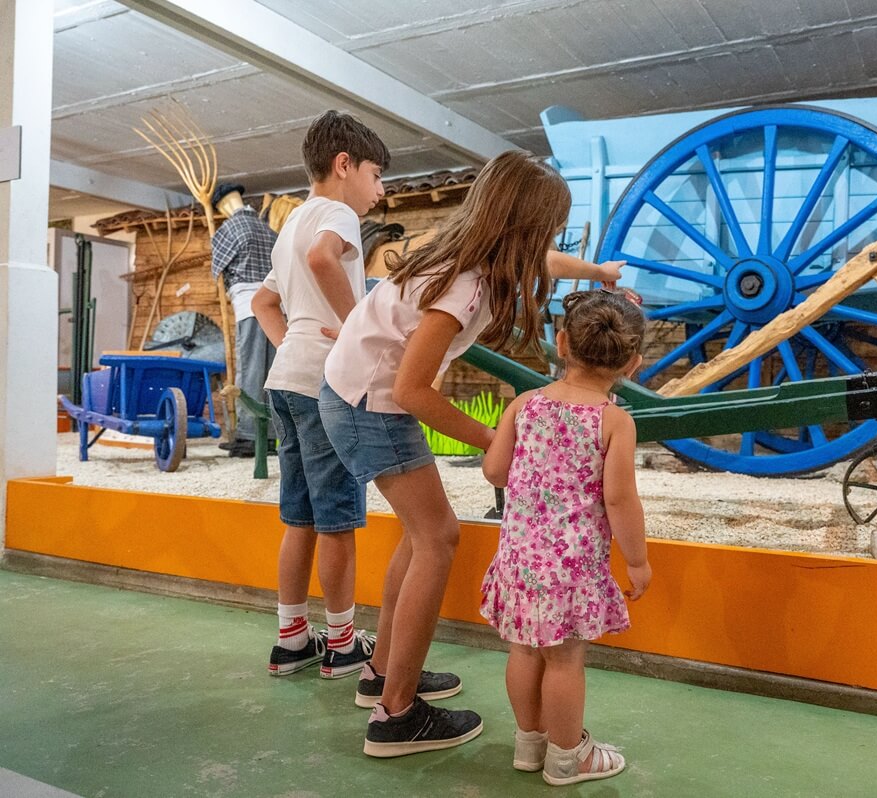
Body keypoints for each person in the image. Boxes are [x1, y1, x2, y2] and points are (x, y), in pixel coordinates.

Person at [318, 150, 625, 757]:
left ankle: (385, 672)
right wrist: (494, 438)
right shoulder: (463, 285)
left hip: (358, 394)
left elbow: (542, 260)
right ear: (525, 225)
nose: (550, 242)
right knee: (439, 538)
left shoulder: (466, 247)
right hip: (369, 405)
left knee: (419, 537)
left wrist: (599, 273)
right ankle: (396, 715)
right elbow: (412, 390)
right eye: (549, 228)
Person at [479, 289, 650, 786]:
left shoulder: (525, 404)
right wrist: (637, 561)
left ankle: (529, 743)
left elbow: (494, 471)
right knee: (565, 660)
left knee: (523, 650)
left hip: (519, 559)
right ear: (633, 363)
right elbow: (620, 499)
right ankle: (566, 758)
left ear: (562, 344)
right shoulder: (614, 421)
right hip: (570, 570)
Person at [251, 110, 386, 679]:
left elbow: (262, 303)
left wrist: (294, 343)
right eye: (376, 176)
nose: (380, 192)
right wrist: (361, 329)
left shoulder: (291, 224)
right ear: (344, 165)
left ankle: (291, 640)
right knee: (337, 521)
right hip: (321, 384)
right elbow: (322, 258)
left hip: (285, 380)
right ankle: (343, 644)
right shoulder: (338, 214)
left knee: (299, 517)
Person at [210, 182, 278, 457]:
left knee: (250, 370)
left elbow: (218, 270)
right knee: (272, 372)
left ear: (223, 206)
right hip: (276, 307)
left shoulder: (228, 230)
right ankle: (271, 435)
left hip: (249, 307)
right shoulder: (269, 230)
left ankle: (248, 436)